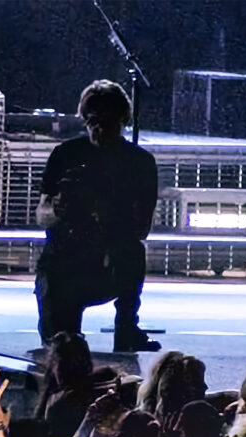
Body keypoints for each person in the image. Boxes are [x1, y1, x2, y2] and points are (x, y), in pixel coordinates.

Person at [35, 79, 160, 352]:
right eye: (92, 121)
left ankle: (127, 326)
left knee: (133, 252)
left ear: (122, 119)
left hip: (109, 263)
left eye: (107, 121)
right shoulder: (65, 154)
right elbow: (41, 213)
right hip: (64, 263)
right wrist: (58, 209)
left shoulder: (139, 163)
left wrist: (100, 208)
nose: (99, 129)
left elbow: (141, 229)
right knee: (62, 346)